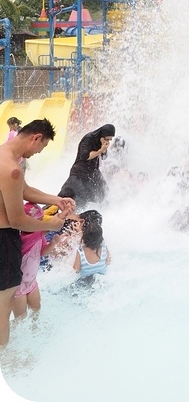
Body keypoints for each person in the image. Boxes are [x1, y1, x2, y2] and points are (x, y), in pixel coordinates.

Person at [0, 118, 75, 347]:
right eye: (41, 148)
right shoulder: (12, 169)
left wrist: (56, 199)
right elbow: (17, 220)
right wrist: (52, 224)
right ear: (36, 138)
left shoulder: (5, 155)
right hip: (4, 240)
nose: (37, 153)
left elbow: (25, 190)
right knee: (3, 306)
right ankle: (6, 362)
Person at [12, 202, 63, 319]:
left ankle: (36, 331)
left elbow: (42, 252)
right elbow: (46, 229)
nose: (39, 224)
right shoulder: (21, 238)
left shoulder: (38, 236)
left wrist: (53, 244)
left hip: (31, 282)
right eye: (37, 221)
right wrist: (62, 215)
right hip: (17, 287)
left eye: (41, 220)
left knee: (36, 309)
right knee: (20, 318)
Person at [58, 124, 115, 209]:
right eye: (106, 139)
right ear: (101, 135)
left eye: (110, 140)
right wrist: (100, 150)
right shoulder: (88, 138)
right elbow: (85, 156)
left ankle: (105, 212)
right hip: (79, 172)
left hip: (93, 171)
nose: (108, 141)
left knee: (104, 191)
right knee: (80, 195)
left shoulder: (102, 142)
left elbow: (104, 157)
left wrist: (104, 149)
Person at [73, 217, 111, 286]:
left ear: (84, 237)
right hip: (101, 281)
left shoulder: (81, 251)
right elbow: (108, 261)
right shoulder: (103, 247)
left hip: (86, 282)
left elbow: (76, 269)